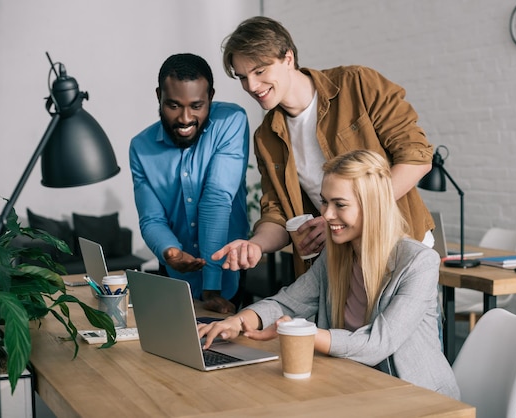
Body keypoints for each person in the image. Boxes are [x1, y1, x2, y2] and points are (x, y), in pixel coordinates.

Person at [199, 150, 459, 399]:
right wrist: (240, 321)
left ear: (373, 206)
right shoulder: (337, 255)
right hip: (356, 386)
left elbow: (377, 343)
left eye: (340, 204)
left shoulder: (419, 262)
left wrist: (298, 331)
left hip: (418, 398)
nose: (327, 214)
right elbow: (288, 302)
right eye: (324, 201)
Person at [212, 16, 435, 278]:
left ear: (288, 58)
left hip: (400, 248)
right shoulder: (266, 137)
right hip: (340, 265)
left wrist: (351, 212)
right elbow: (277, 213)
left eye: (259, 71)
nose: (251, 86)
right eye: (242, 77)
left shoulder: (358, 84)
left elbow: (416, 157)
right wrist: (256, 245)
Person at [130, 53, 249, 314]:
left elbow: (216, 200)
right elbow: (152, 219)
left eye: (197, 106)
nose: (185, 118)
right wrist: (169, 250)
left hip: (227, 275)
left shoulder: (231, 121)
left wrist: (212, 286)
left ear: (211, 97)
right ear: (158, 95)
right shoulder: (141, 147)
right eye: (173, 105)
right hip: (175, 274)